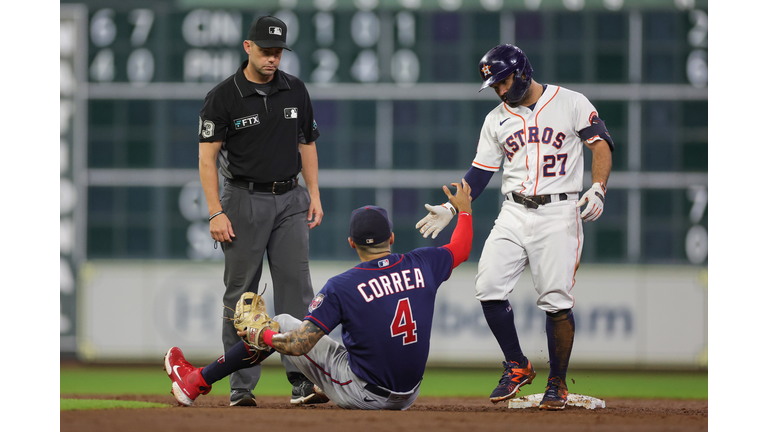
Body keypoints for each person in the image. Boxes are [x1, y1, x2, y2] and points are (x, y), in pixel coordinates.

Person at [415, 44, 614, 410]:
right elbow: (480, 172)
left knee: (555, 299)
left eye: (503, 81)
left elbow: (600, 145)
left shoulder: (570, 102)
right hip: (513, 210)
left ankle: (557, 382)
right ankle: (517, 365)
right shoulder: (496, 119)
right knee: (488, 286)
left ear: (522, 71)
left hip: (559, 211)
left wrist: (599, 188)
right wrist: (450, 206)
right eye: (495, 85)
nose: (501, 90)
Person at [164, 180, 474, 410]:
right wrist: (464, 211)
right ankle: (316, 384)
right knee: (354, 342)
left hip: (365, 394)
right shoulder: (423, 262)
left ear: (352, 243)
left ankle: (196, 381)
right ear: (391, 237)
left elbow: (298, 345)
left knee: (284, 322)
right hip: (410, 393)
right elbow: (461, 248)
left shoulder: (344, 285)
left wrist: (264, 335)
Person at [197, 15, 324, 406]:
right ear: (247, 47)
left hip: (290, 198)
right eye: (266, 51)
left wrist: (314, 194)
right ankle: (241, 388)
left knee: (296, 292)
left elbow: (307, 145)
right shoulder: (224, 96)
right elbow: (207, 159)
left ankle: (301, 382)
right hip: (242, 200)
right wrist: (215, 211)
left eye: (278, 52)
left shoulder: (295, 90)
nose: (273, 59)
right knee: (242, 296)